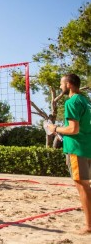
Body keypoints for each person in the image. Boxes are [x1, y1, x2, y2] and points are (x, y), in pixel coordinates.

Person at [45, 73, 91, 235]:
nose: (60, 87)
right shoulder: (85, 100)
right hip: (86, 146)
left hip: (76, 149)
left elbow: (73, 129)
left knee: (83, 186)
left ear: (69, 84)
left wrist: (54, 129)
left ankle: (89, 226)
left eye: (61, 84)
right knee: (86, 185)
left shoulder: (72, 102)